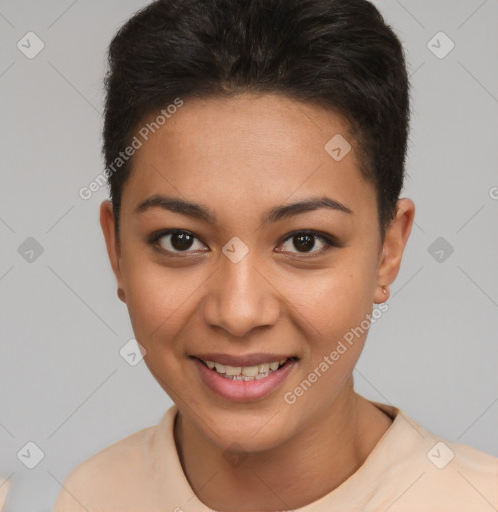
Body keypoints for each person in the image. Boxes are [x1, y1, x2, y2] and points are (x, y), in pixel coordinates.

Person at [53, 0, 498, 510]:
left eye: (303, 241)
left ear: (388, 250)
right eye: (180, 240)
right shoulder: (91, 495)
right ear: (116, 250)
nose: (239, 313)